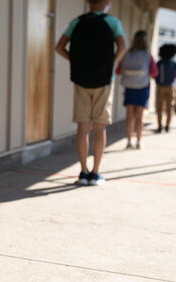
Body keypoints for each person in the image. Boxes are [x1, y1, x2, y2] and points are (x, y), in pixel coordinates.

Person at [55, 0, 126, 186]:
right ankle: (96, 173)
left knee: (83, 127)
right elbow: (123, 47)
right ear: (106, 3)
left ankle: (83, 171)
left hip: (81, 80)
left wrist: (76, 62)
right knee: (100, 127)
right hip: (104, 81)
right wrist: (110, 63)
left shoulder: (76, 22)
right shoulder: (113, 22)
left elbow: (59, 47)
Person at [116, 30, 158, 149]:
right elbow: (154, 73)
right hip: (142, 88)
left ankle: (129, 141)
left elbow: (118, 71)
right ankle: (139, 141)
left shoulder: (127, 54)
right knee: (139, 117)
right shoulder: (147, 56)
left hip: (129, 88)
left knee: (129, 117)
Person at [155, 44, 176, 133]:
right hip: (170, 87)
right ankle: (168, 126)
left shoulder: (159, 63)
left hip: (160, 86)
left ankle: (159, 126)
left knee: (159, 107)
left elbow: (155, 75)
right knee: (170, 107)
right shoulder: (173, 63)